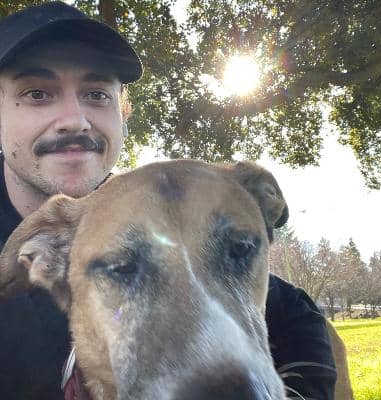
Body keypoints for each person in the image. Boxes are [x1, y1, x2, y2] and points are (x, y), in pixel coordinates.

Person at [0, 2, 336, 399]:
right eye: (37, 93)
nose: (75, 119)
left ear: (122, 113)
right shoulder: (64, 238)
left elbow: (297, 315)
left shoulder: (161, 208)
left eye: (96, 94)